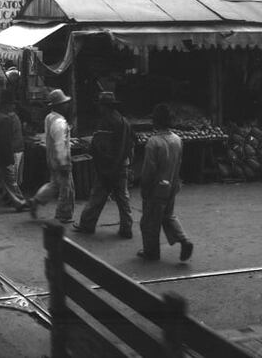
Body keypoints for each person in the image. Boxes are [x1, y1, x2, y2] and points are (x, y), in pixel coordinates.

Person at [73, 91, 134, 238]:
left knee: (97, 195)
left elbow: (101, 145)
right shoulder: (123, 120)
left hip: (110, 165)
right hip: (121, 164)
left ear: (104, 107)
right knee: (122, 198)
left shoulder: (108, 122)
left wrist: (94, 148)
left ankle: (87, 224)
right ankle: (126, 228)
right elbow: (130, 143)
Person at [138, 103, 193, 262]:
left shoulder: (153, 142)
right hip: (172, 185)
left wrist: (145, 188)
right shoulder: (177, 140)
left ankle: (151, 252)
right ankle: (183, 239)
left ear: (155, 121)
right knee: (168, 216)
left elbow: (149, 170)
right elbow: (179, 164)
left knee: (149, 222)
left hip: (156, 189)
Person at [28, 88, 75, 223]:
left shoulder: (49, 117)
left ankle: (36, 200)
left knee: (54, 184)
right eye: (64, 103)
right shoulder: (60, 122)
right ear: (59, 105)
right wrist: (64, 162)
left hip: (50, 156)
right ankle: (63, 214)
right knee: (67, 187)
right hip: (60, 158)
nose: (67, 105)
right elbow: (60, 144)